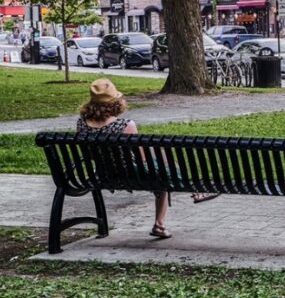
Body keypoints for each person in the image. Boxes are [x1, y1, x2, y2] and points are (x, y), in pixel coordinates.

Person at [76, 78, 217, 239]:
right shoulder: (125, 125)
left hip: (102, 174)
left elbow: (89, 154)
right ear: (115, 102)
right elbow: (142, 158)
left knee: (164, 164)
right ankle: (167, 216)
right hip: (131, 173)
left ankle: (194, 192)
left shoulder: (82, 125)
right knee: (165, 169)